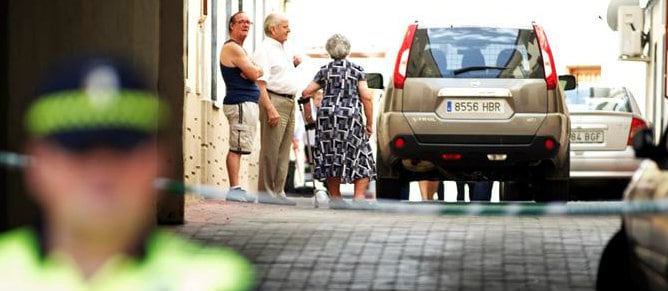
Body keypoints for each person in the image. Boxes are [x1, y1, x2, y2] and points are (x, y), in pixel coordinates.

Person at [0, 56, 255, 290]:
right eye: (78, 150)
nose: (101, 171)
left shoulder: (216, 281)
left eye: (122, 149)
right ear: (37, 165)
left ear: (158, 162)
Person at [302, 34, 376, 209]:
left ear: (329, 51)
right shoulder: (356, 70)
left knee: (331, 154)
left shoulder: (325, 70)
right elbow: (366, 97)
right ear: (348, 50)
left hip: (327, 118)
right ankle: (358, 197)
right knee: (361, 155)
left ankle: (335, 198)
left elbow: (306, 93)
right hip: (350, 118)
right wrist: (369, 123)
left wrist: (309, 118)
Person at [253, 12, 301, 206]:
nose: (288, 29)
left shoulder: (282, 49)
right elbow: (260, 82)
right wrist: (270, 108)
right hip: (274, 101)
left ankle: (278, 192)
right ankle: (266, 194)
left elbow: (279, 75)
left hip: (289, 102)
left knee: (283, 150)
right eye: (284, 26)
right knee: (270, 150)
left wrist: (294, 65)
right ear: (273, 29)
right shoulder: (264, 49)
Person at [220, 11, 264, 202]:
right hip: (239, 102)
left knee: (240, 145)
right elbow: (255, 74)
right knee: (236, 147)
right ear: (232, 25)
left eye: (248, 22)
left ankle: (236, 188)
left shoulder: (240, 49)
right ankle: (234, 189)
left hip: (245, 103)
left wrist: (254, 70)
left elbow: (256, 71)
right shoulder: (233, 48)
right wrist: (253, 70)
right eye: (241, 22)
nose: (246, 25)